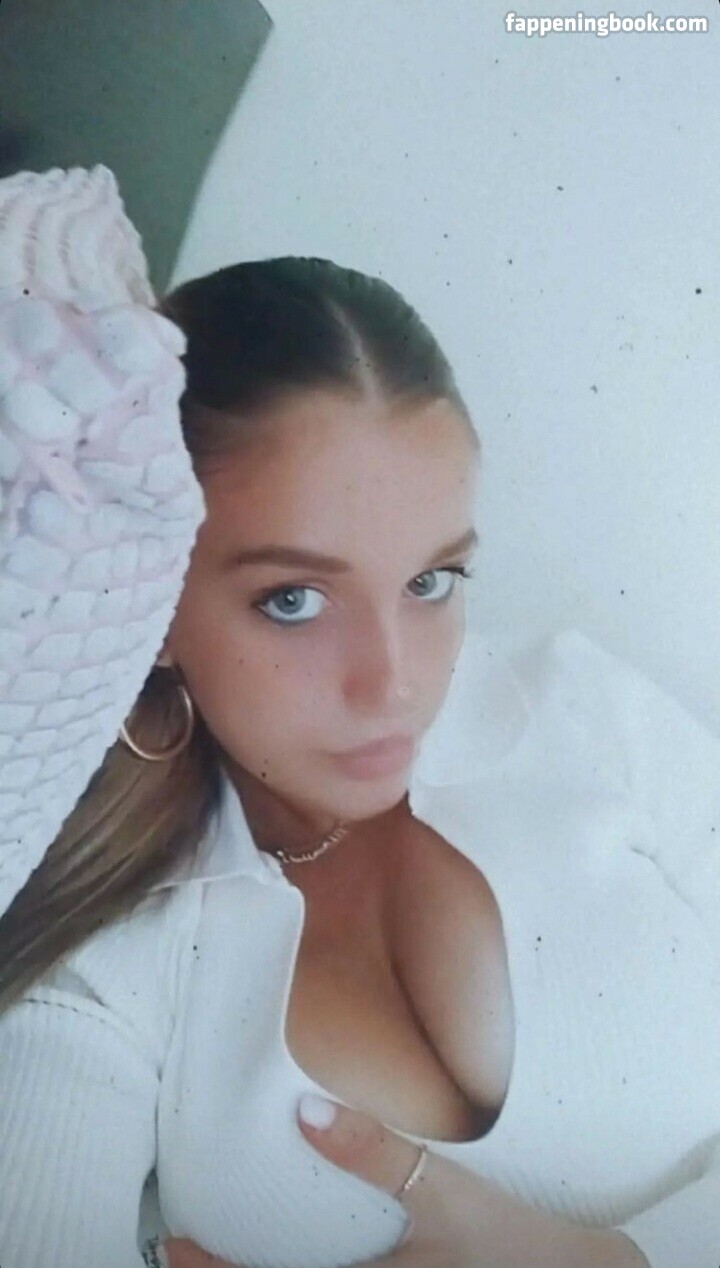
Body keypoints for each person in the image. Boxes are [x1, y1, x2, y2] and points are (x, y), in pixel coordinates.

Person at [0, 166, 718, 1268]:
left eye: (433, 581)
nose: (394, 686)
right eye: (293, 599)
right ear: (154, 600)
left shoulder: (582, 710)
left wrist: (623, 1260)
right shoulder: (105, 958)